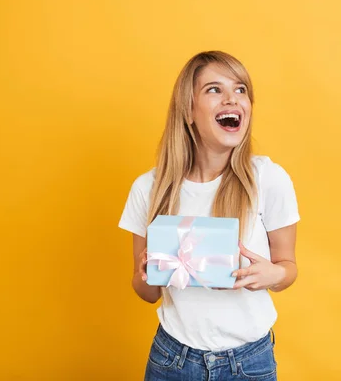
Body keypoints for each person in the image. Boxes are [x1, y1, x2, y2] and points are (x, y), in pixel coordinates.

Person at [118, 51, 300, 380]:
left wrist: (272, 276)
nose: (232, 98)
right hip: (172, 360)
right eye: (214, 89)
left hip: (249, 362)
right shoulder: (149, 189)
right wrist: (147, 273)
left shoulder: (269, 179)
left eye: (241, 89)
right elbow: (146, 293)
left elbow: (289, 269)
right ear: (188, 110)